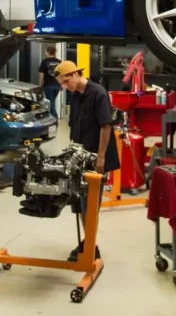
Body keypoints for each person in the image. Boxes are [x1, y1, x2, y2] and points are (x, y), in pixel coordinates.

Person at [55, 60, 120, 261]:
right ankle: (89, 242)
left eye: (66, 82)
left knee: (91, 204)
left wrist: (100, 157)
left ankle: (91, 245)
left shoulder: (98, 93)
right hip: (79, 157)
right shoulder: (75, 96)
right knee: (80, 202)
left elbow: (106, 126)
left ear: (75, 74)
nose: (65, 87)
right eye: (62, 84)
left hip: (95, 157)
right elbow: (74, 126)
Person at [37, 45, 61, 119]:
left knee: (51, 104)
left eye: (46, 51)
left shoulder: (44, 62)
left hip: (48, 86)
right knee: (52, 102)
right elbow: (62, 74)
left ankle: (55, 118)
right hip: (57, 86)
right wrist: (62, 84)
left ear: (48, 52)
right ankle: (51, 118)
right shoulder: (59, 62)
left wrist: (40, 84)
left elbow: (41, 74)